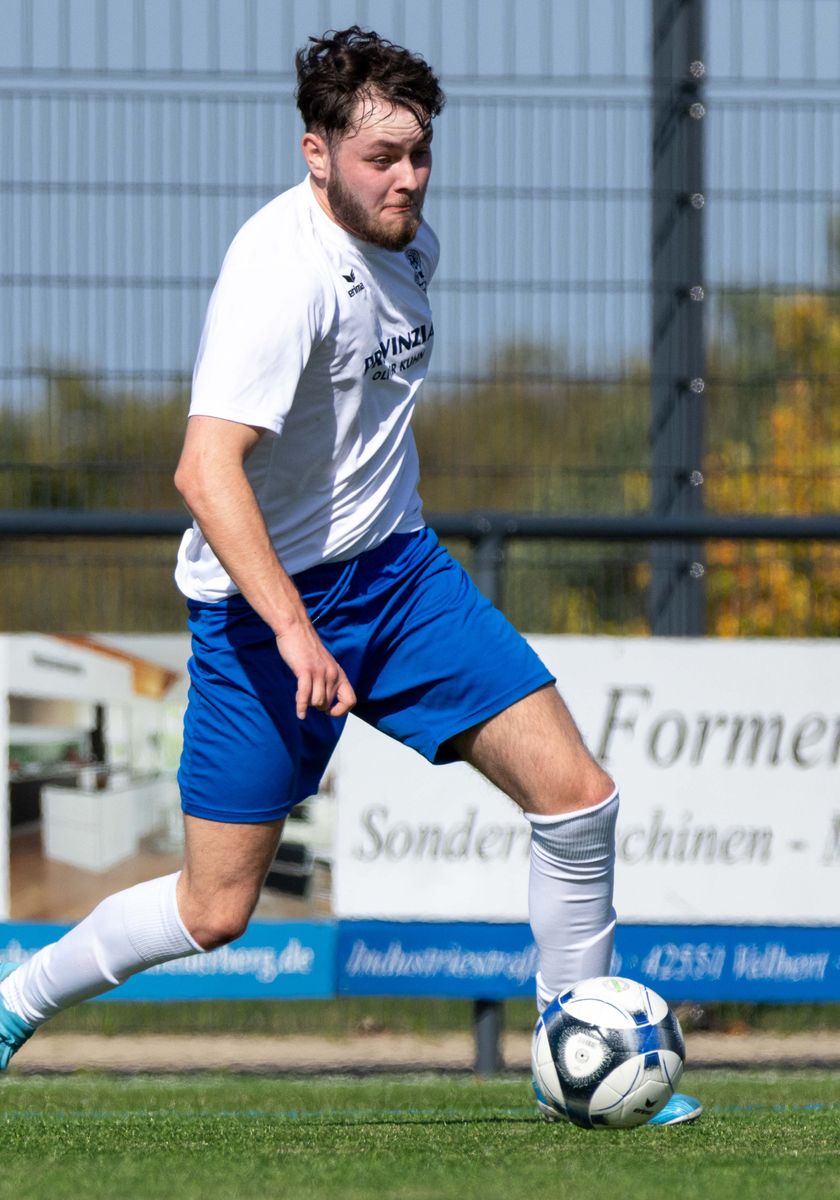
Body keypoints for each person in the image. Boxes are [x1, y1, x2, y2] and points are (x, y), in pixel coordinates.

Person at [0, 26, 699, 1125]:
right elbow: (204, 468)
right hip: (261, 611)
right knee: (217, 907)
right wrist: (289, 626)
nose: (408, 178)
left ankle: (578, 1048)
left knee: (579, 802)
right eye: (382, 157)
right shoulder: (279, 278)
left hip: (402, 580)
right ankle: (14, 1003)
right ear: (315, 153)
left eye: (419, 153)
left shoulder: (412, 244)